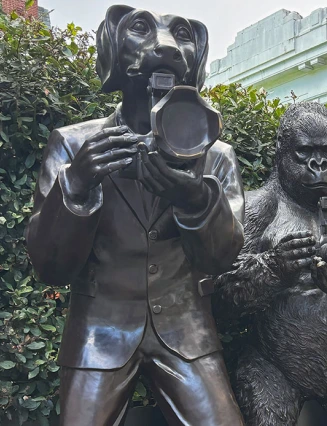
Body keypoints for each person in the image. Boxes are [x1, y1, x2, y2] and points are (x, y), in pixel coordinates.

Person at [25, 6, 244, 426]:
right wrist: (77, 183)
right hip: (99, 333)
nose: (165, 45)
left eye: (181, 35)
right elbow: (50, 266)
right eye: (141, 29)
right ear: (114, 53)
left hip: (186, 333)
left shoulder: (216, 156)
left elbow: (222, 257)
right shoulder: (73, 146)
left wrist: (196, 199)